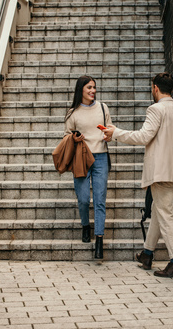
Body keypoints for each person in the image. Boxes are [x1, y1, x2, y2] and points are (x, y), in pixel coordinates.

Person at [103, 72, 173, 278]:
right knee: (158, 210)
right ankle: (147, 253)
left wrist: (115, 132)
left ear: (155, 88)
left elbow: (144, 136)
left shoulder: (155, 109)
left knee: (165, 215)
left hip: (160, 173)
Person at [64, 75, 112, 260]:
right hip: (81, 157)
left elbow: (110, 128)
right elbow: (66, 136)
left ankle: (99, 240)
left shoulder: (102, 107)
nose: (93, 91)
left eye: (94, 87)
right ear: (81, 90)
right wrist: (73, 138)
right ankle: (86, 225)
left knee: (99, 199)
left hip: (100, 156)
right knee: (83, 198)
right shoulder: (72, 113)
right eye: (89, 88)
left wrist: (109, 135)